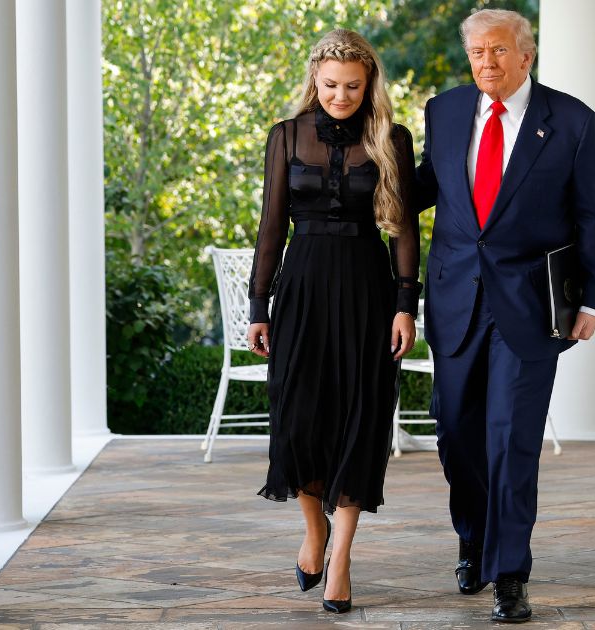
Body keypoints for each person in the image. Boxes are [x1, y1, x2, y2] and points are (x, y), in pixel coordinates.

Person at [412, 9, 595, 623]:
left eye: (498, 51)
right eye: (476, 53)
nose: (486, 64)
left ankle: (509, 572)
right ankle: (472, 535)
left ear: (526, 55)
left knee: (511, 440)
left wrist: (594, 298)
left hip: (530, 305)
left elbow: (591, 218)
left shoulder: (573, 121)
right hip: (454, 299)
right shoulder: (444, 112)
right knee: (456, 435)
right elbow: (425, 186)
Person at [245, 29, 421, 614]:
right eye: (329, 86)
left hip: (368, 291)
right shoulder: (287, 136)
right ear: (313, 81)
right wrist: (258, 306)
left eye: (351, 85)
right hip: (302, 289)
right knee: (298, 417)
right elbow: (272, 227)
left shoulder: (392, 138)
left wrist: (405, 306)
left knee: (361, 417)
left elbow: (403, 229)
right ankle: (313, 531)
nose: (340, 96)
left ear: (369, 83)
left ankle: (341, 556)